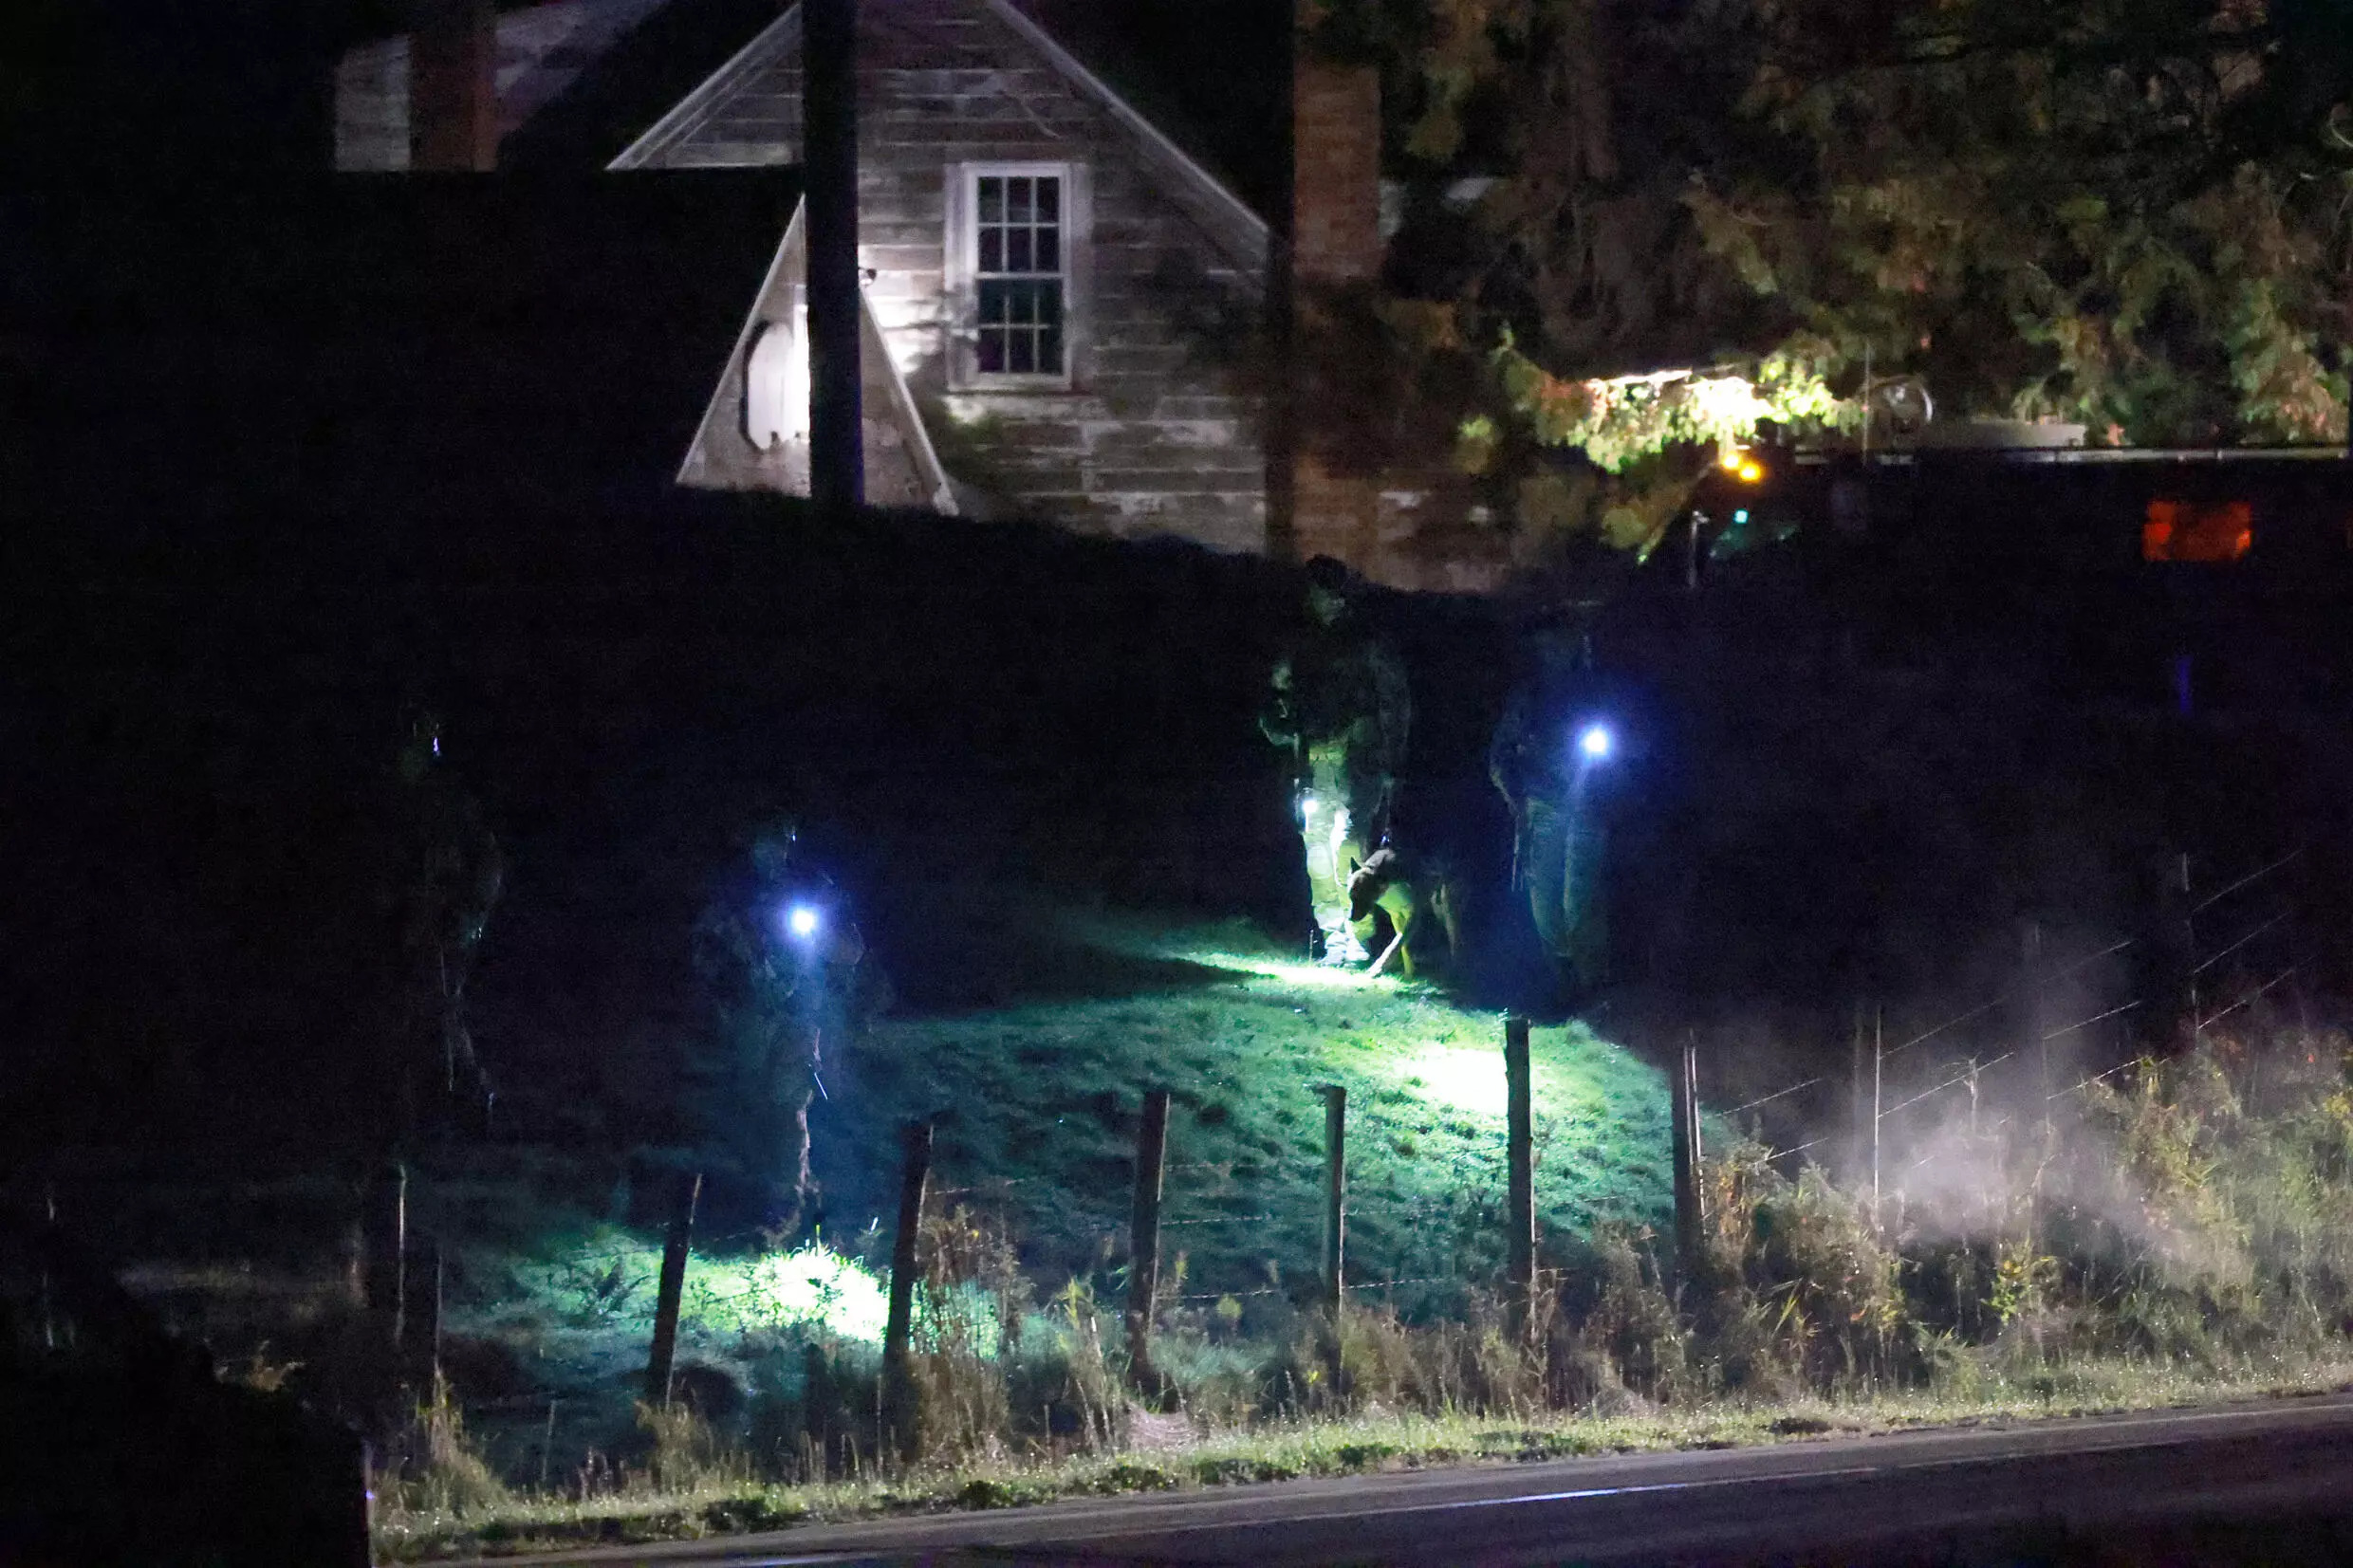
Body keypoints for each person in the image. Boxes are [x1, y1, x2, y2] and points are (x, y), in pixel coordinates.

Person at [1261, 558, 1412, 963]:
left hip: (1357, 759)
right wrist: (1279, 714)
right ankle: (1334, 938)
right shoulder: (1301, 645)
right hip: (1313, 761)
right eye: (1315, 592)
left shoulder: (1367, 642)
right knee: (1317, 852)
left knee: (1349, 846)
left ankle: (1358, 932)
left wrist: (1391, 759)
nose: (1320, 600)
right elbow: (1278, 708)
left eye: (1325, 591)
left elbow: (1394, 701)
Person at [1488, 624, 1611, 991]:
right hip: (1542, 807)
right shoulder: (1528, 698)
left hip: (1586, 807)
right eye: (1549, 646)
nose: (1555, 652)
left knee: (1580, 898)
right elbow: (1500, 756)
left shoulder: (1591, 692)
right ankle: (1563, 981)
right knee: (1545, 900)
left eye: (1562, 644)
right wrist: (1516, 800)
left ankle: (1590, 984)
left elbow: (1613, 746)